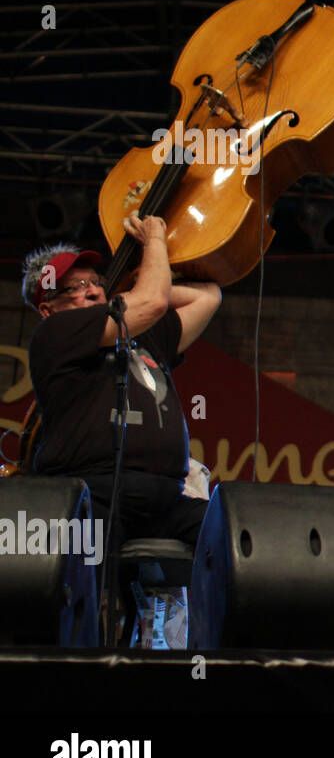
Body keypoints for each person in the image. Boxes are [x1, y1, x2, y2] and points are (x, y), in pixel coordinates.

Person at [20, 214, 222, 548]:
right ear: (47, 308)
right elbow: (154, 301)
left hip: (165, 496)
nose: (93, 291)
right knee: (95, 579)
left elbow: (208, 296)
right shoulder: (55, 333)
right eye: (75, 287)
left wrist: (132, 290)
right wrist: (154, 243)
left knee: (229, 539)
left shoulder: (139, 331)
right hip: (95, 492)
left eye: (96, 282)